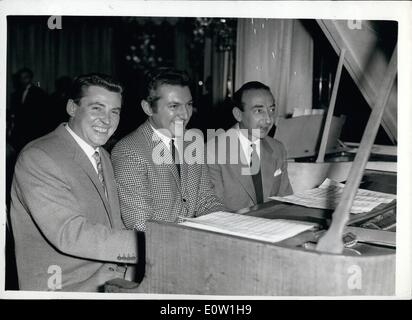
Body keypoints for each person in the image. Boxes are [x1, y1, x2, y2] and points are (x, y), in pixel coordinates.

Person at [10, 73, 139, 292]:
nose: (107, 120)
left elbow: (112, 222)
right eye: (97, 108)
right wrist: (148, 245)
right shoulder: (39, 156)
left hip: (107, 278)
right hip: (63, 287)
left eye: (114, 111)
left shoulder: (102, 155)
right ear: (72, 108)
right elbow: (70, 233)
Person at [111, 68, 225, 232]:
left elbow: (206, 200)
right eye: (174, 106)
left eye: (189, 105)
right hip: (158, 249)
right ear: (148, 108)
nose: (185, 114)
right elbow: (141, 225)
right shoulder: (128, 152)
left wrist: (231, 224)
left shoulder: (193, 141)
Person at [207, 81, 293, 212]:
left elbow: (286, 201)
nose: (269, 119)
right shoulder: (212, 152)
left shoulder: (277, 148)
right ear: (238, 114)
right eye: (259, 111)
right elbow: (213, 212)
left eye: (271, 110)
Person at [10, 68, 50, 150]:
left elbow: (42, 114)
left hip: (33, 131)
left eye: (25, 77)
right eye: (20, 78)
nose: (22, 80)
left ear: (30, 78)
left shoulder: (38, 93)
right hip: (20, 131)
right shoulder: (16, 94)